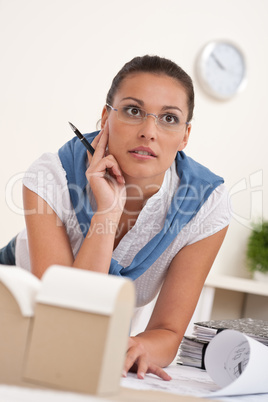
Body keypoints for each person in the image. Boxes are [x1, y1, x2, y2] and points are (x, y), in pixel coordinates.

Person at [0, 55, 231, 381]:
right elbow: (66, 317)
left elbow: (168, 332)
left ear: (185, 136)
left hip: (83, 350)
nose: (149, 132)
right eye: (134, 111)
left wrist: (140, 348)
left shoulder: (207, 204)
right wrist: (107, 211)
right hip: (12, 321)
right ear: (106, 116)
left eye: (168, 118)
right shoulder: (51, 175)